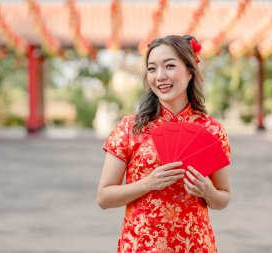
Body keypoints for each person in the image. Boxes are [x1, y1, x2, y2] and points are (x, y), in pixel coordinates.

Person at [97, 35, 231, 253]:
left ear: (190, 71)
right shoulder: (131, 128)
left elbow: (222, 198)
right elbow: (103, 198)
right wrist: (148, 183)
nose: (160, 76)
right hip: (141, 246)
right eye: (152, 69)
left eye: (169, 66)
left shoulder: (212, 130)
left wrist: (208, 191)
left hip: (195, 246)